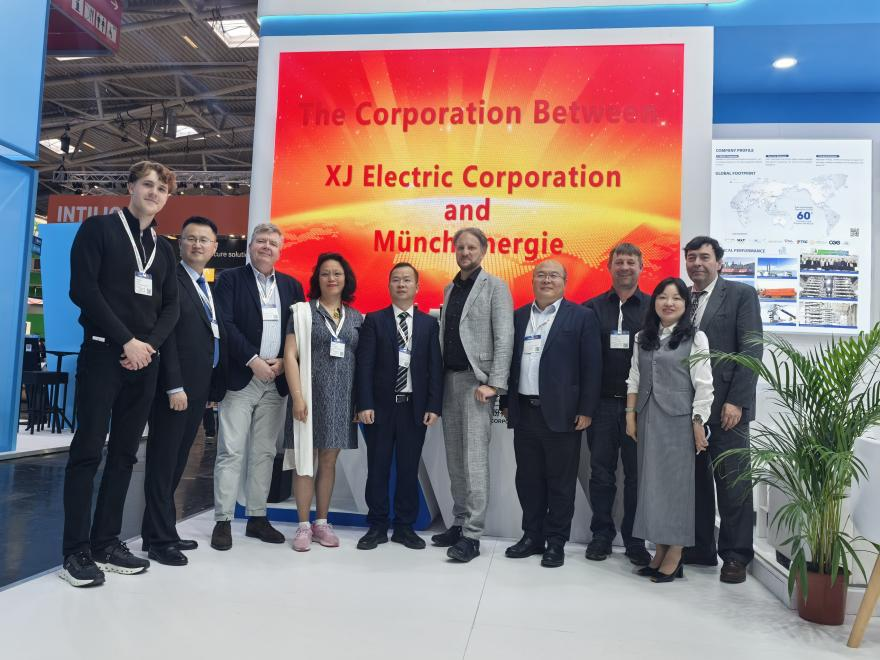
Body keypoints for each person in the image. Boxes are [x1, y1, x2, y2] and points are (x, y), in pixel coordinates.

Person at [61, 161, 180, 587]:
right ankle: (75, 551)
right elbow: (83, 290)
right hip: (103, 354)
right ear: (130, 186)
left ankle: (106, 543)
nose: (154, 192)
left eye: (161, 188)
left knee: (126, 455)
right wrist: (126, 340)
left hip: (144, 363)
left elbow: (172, 307)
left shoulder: (164, 249)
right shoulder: (99, 230)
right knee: (88, 451)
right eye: (147, 184)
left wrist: (147, 347)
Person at [210, 223, 304, 551]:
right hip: (241, 377)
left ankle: (257, 518)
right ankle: (223, 520)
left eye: (272, 243)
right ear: (250, 246)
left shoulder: (292, 286)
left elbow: (297, 331)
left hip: (275, 380)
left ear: (280, 250)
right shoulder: (230, 280)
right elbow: (225, 324)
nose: (266, 247)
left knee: (264, 452)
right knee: (231, 450)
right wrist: (253, 360)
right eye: (261, 241)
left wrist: (282, 363)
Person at [501, 260, 601, 568]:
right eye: (541, 275)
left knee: (560, 482)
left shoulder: (582, 316)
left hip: (563, 414)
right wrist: (506, 400)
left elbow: (592, 367)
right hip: (524, 411)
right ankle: (532, 536)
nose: (547, 280)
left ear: (564, 282)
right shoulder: (518, 316)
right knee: (528, 479)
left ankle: (556, 542)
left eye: (553, 275)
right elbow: (507, 361)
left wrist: (586, 409)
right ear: (532, 281)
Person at [141, 216, 226, 566]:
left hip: (197, 388)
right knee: (163, 463)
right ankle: (160, 541)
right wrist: (174, 385)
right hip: (174, 389)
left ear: (215, 247)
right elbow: (168, 339)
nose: (197, 245)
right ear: (181, 243)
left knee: (176, 462)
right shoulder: (172, 280)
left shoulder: (205, 285)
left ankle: (159, 531)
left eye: (204, 240)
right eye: (191, 238)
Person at [683, 236, 762, 583]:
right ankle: (700, 548)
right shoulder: (682, 297)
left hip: (727, 409)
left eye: (704, 257)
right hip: (690, 409)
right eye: (691, 257)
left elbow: (751, 349)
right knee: (697, 484)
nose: (697, 263)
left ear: (719, 262)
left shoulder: (740, 294)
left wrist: (737, 401)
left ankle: (735, 555)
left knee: (733, 486)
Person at [432, 228, 514, 563]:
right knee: (455, 458)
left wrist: (494, 384)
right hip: (449, 381)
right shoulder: (450, 288)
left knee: (474, 460)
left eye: (471, 247)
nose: (465, 252)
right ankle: (459, 521)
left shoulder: (496, 287)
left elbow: (505, 337)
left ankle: (473, 535)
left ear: (484, 250)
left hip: (477, 384)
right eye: (460, 247)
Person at [625, 277, 713, 583]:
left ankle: (675, 552)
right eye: (662, 297)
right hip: (648, 416)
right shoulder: (642, 337)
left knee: (676, 488)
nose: (668, 303)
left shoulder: (696, 338)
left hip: (679, 420)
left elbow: (704, 385)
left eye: (676, 298)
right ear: (655, 303)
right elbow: (634, 377)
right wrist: (630, 416)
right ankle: (660, 550)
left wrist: (699, 423)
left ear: (685, 305)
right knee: (652, 486)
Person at [355, 263, 444, 550]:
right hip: (380, 409)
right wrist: (364, 403)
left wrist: (434, 405)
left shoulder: (429, 325)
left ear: (417, 287)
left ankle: (405, 526)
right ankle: (377, 525)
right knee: (377, 468)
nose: (401, 284)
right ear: (389, 285)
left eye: (407, 280)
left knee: (408, 469)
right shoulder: (375, 320)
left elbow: (434, 367)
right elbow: (365, 366)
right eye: (396, 280)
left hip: (413, 408)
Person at [283, 253, 363, 551]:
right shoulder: (303, 312)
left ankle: (321, 523)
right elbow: (290, 355)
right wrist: (297, 397)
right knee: (306, 459)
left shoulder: (356, 317)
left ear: (346, 279)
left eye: (337, 273)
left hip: (342, 399)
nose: (332, 278)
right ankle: (303, 526)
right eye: (326, 273)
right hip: (308, 397)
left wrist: (359, 402)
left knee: (329, 460)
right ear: (317, 279)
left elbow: (361, 362)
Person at [583, 243, 651, 565]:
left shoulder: (653, 308)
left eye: (630, 262)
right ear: (609, 267)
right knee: (601, 473)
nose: (624, 267)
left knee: (636, 477)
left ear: (641, 267)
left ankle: (635, 540)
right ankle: (601, 535)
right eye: (619, 262)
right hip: (601, 406)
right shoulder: (591, 309)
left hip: (640, 408)